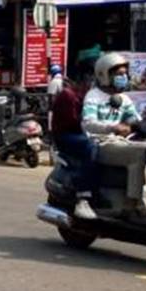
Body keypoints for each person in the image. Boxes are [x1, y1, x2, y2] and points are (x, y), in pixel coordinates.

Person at [82, 52, 145, 214]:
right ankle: (133, 202)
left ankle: (137, 196)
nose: (123, 77)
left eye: (125, 74)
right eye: (119, 74)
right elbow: (88, 123)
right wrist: (113, 127)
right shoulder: (93, 96)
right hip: (99, 143)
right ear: (104, 75)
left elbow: (135, 120)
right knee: (139, 154)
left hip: (119, 143)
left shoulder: (123, 99)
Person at [50, 65, 98, 220]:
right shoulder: (68, 95)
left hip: (81, 132)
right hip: (66, 135)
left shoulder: (89, 97)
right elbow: (74, 122)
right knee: (90, 147)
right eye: (89, 80)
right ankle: (83, 195)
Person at [45, 62, 64, 131]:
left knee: (52, 128)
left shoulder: (54, 82)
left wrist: (50, 109)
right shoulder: (64, 80)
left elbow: (51, 97)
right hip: (64, 108)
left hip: (56, 109)